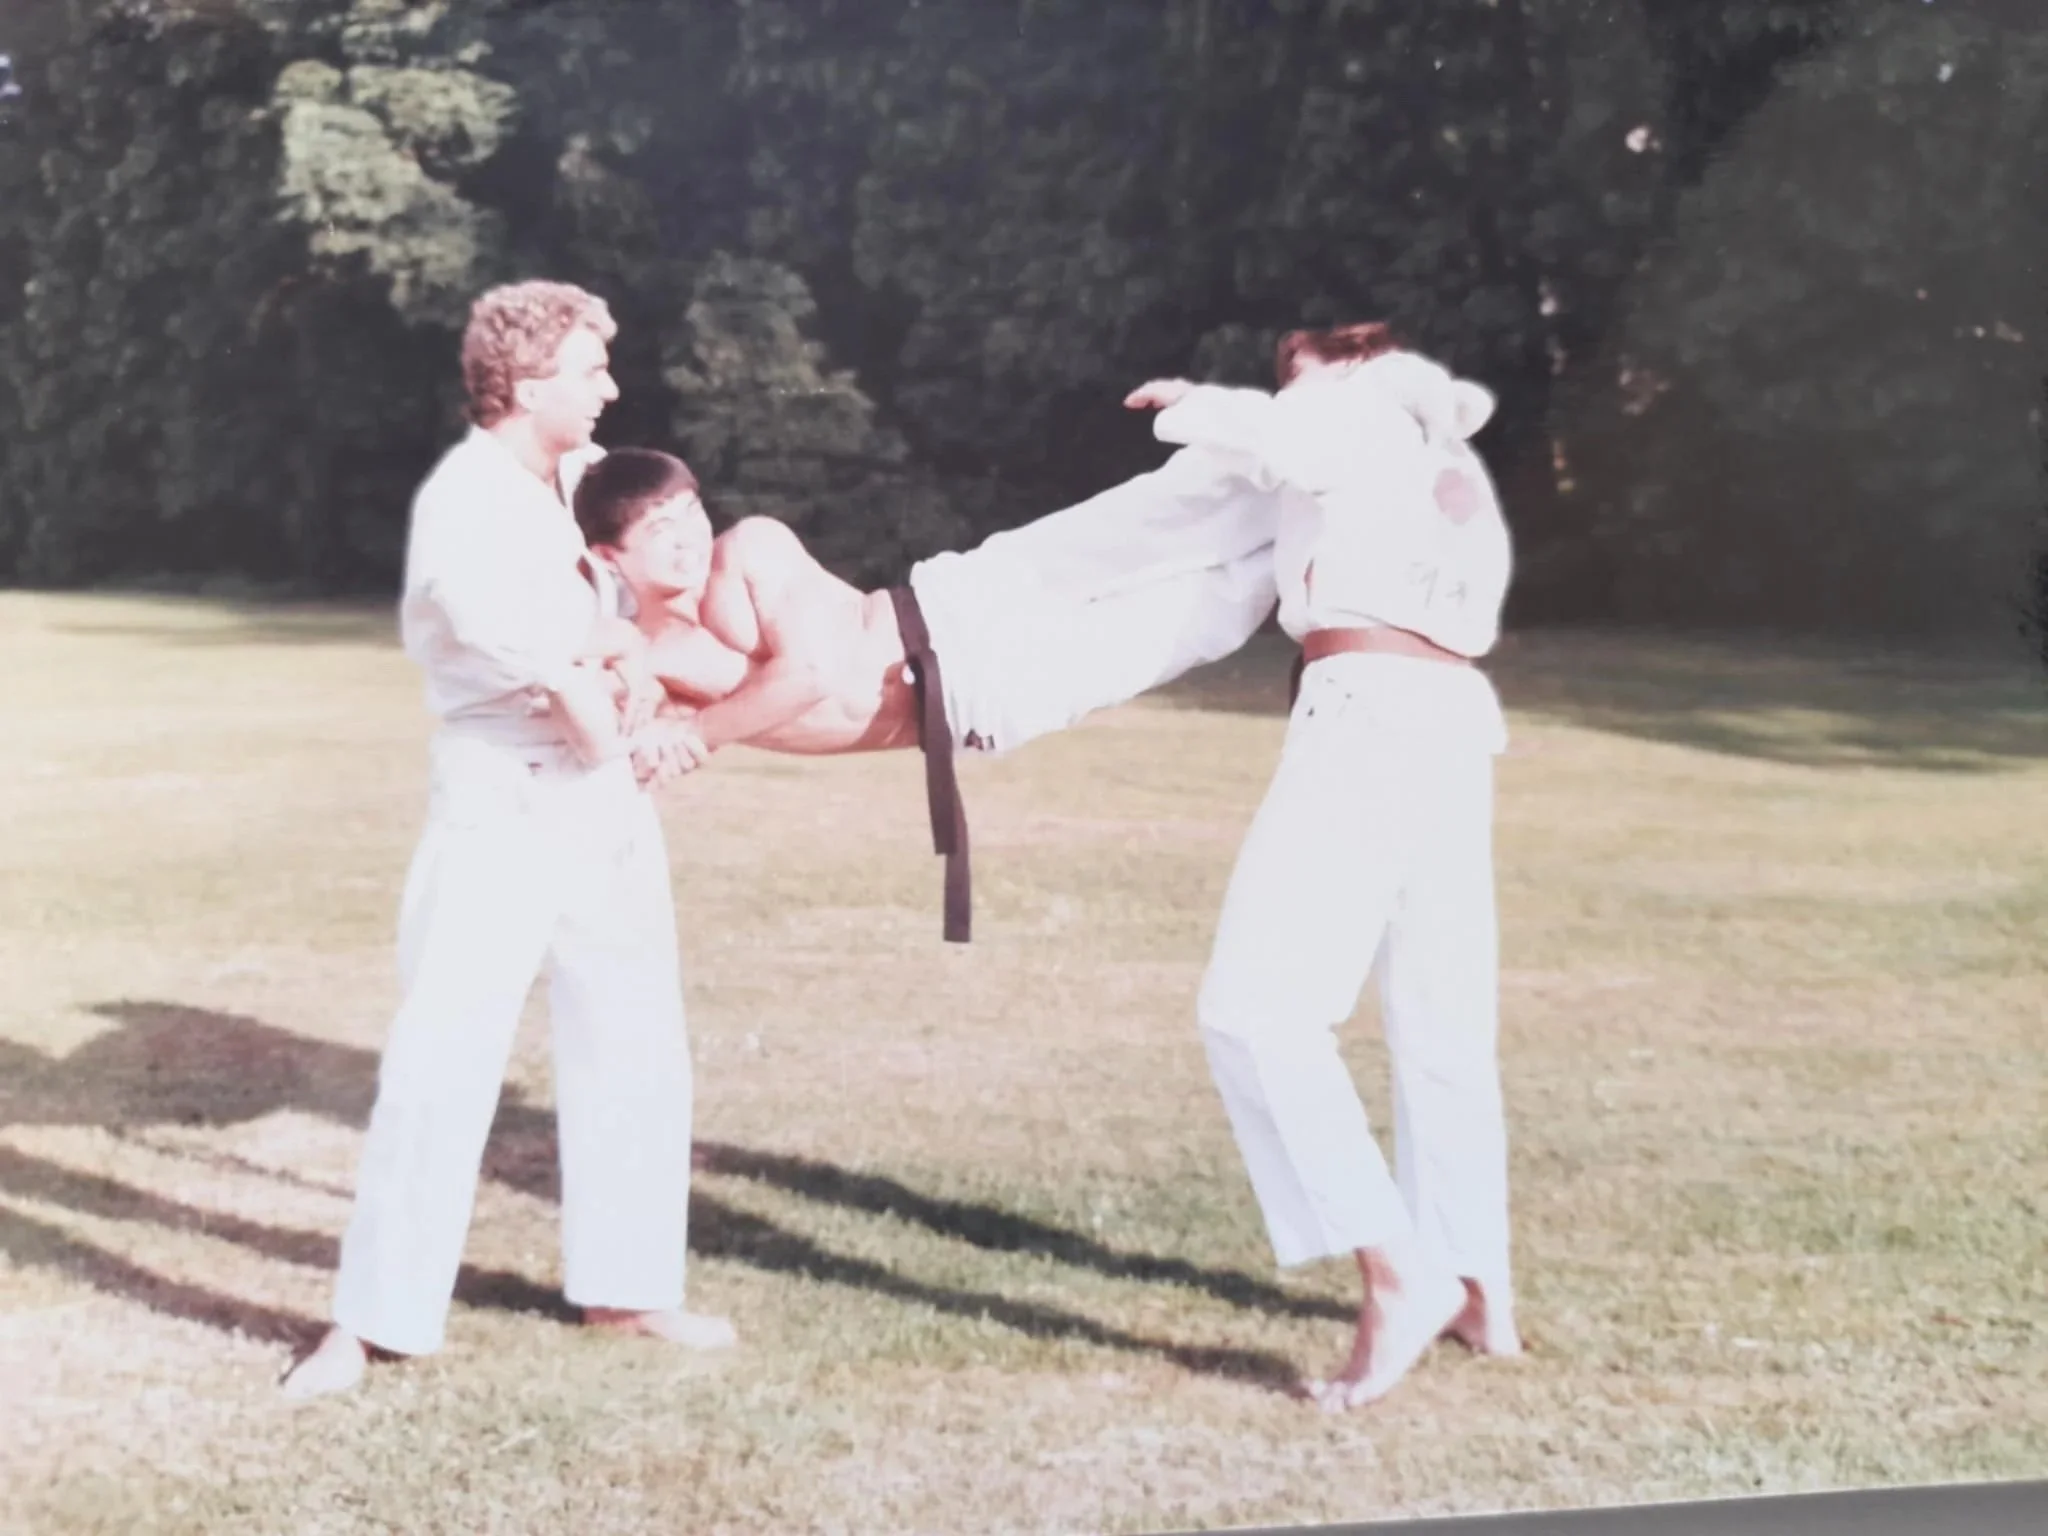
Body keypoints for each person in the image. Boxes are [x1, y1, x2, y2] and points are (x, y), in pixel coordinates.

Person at [281, 280, 733, 1402]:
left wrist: (643, 690)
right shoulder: (466, 506)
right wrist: (639, 734)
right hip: (504, 798)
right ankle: (374, 1322)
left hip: (598, 797)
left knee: (633, 1035)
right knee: (444, 1054)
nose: (610, 387)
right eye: (591, 370)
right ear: (528, 385)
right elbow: (571, 691)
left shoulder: (579, 481)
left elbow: (640, 619)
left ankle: (626, 1288)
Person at [1125, 322, 1523, 1412]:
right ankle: (1477, 1279)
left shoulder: (1349, 408)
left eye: (1288, 376)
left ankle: (1399, 1278)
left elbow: (1281, 438)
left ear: (1338, 362)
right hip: (1445, 714)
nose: (1281, 395)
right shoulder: (1442, 449)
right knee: (1439, 1021)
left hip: (1370, 710)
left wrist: (1185, 404)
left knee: (1252, 1007)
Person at [567, 437, 1286, 942]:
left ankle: (1328, 449)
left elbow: (811, 674)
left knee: (1163, 519)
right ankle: (1333, 532)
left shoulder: (749, 547)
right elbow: (608, 745)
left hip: (963, 605)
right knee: (1203, 613)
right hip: (978, 698)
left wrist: (694, 734)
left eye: (690, 512)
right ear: (608, 555)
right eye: (660, 530)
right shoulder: (657, 658)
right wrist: (620, 662)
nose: (688, 537)